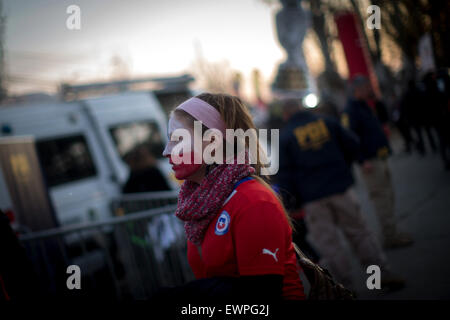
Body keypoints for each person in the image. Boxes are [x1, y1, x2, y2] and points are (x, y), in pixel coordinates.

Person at [158, 93, 306, 301]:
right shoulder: (201, 203)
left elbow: (262, 296)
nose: (167, 151)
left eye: (177, 140)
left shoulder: (253, 201)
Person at [277, 99, 403, 291]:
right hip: (341, 190)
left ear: (286, 115)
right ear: (302, 108)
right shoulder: (327, 122)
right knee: (360, 234)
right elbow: (352, 143)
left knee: (330, 248)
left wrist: (290, 204)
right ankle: (378, 279)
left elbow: (285, 175)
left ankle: (344, 290)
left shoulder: (285, 137)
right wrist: (346, 166)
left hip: (313, 200)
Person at [342, 75, 413, 249]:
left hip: (379, 157)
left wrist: (378, 101)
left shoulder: (365, 105)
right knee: (381, 198)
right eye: (368, 87)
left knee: (388, 196)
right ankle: (390, 237)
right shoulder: (351, 110)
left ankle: (392, 232)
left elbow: (383, 119)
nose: (370, 90)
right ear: (359, 89)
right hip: (370, 162)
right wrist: (361, 160)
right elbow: (349, 138)